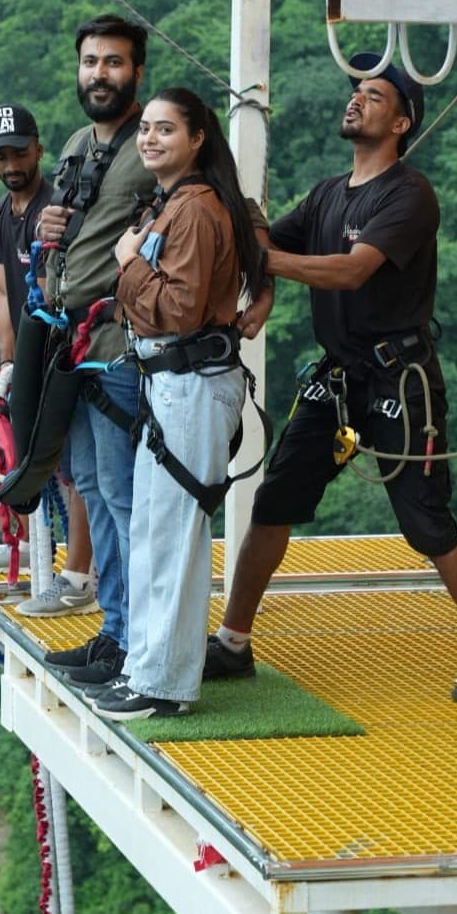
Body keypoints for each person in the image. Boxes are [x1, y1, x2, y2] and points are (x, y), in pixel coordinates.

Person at [202, 52, 457, 704]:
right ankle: (233, 643)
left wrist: (260, 258)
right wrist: (238, 211)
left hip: (397, 385)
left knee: (426, 523)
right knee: (276, 501)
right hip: (340, 387)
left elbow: (350, 271)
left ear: (403, 122)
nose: (356, 99)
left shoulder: (409, 194)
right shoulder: (328, 193)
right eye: (355, 91)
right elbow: (272, 239)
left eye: (374, 95)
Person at [81, 88, 265, 721]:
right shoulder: (188, 203)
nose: (150, 138)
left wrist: (126, 265)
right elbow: (256, 229)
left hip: (189, 379)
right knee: (158, 531)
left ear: (197, 139)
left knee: (172, 534)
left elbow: (180, 307)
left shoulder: (193, 209)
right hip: (176, 383)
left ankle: (162, 683)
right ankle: (149, 671)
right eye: (147, 129)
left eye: (166, 129)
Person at [36, 14, 159, 686]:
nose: (100, 74)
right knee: (91, 486)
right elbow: (70, 231)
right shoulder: (80, 143)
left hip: (118, 346)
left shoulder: (156, 144)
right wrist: (50, 221)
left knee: (121, 493)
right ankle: (116, 629)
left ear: (137, 71)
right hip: (70, 342)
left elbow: (219, 209)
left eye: (113, 63)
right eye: (90, 62)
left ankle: (142, 639)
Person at [0, 103, 96, 615]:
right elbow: (4, 291)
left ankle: (78, 579)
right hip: (29, 354)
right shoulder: (1, 217)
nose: (11, 165)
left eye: (19, 152)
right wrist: (8, 365)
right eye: (0, 156)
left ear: (39, 149)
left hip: (69, 353)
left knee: (76, 466)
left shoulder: (57, 208)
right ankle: (26, 545)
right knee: (20, 449)